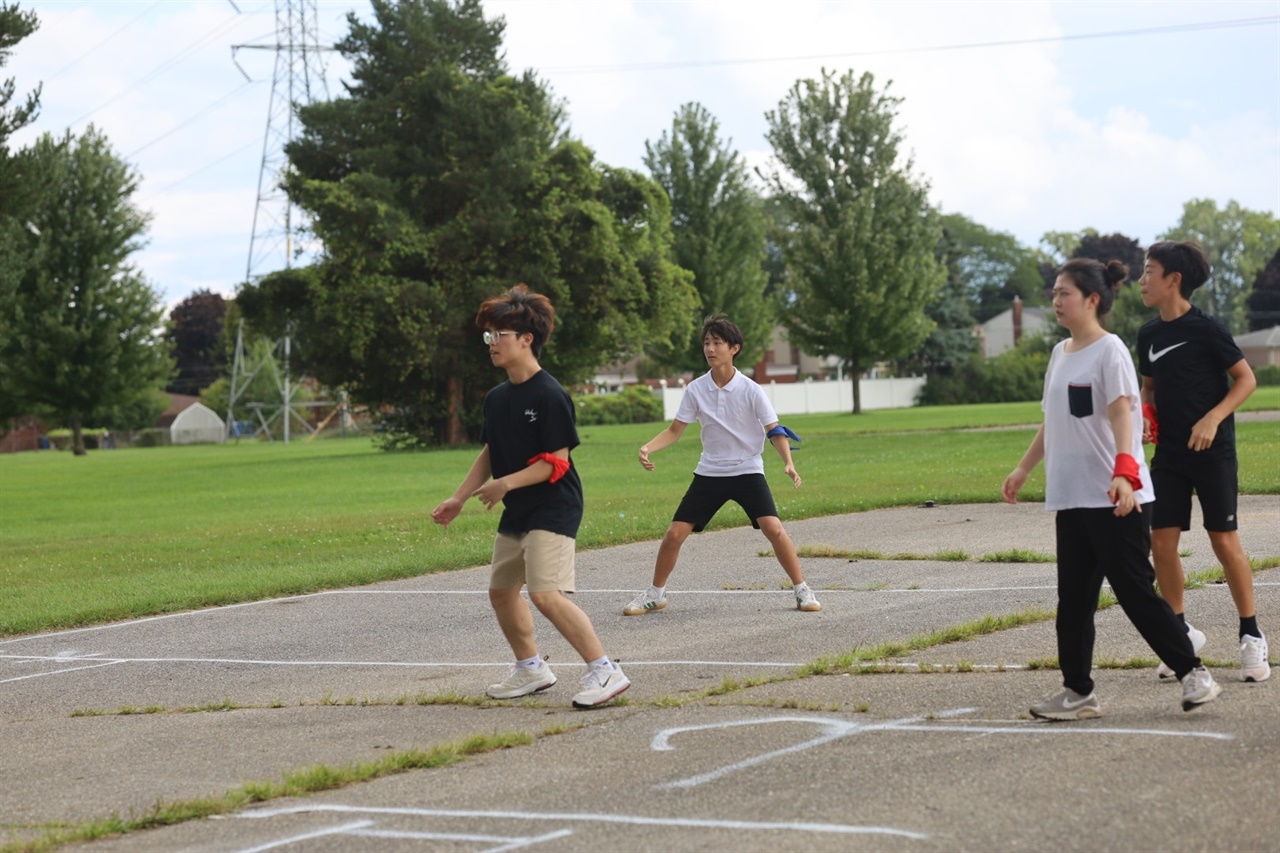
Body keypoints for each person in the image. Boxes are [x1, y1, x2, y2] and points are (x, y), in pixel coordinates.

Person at [1002, 259, 1221, 720]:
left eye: (1065, 293)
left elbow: (1125, 413)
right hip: (1072, 497)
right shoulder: (1061, 354)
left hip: (1115, 498)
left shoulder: (1111, 350)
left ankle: (1194, 672)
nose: (1056, 301)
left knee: (1136, 593)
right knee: (1074, 604)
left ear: (1092, 299)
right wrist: (1024, 468)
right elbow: (1052, 420)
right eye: (1055, 293)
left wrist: (1126, 472)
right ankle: (1078, 692)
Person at [431, 285, 630, 709]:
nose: (492, 344)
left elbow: (555, 463)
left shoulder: (550, 395)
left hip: (555, 506)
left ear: (527, 339)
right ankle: (531, 668)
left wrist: (506, 484)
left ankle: (605, 670)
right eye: (489, 336)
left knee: (545, 593)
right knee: (502, 591)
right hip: (518, 509)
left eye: (500, 334)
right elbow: (490, 453)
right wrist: (459, 498)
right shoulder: (498, 398)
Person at [623, 313, 821, 616]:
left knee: (774, 528)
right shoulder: (696, 389)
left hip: (746, 470)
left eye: (717, 343)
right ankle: (655, 594)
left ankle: (802, 590)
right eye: (707, 343)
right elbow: (675, 430)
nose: (710, 349)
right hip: (710, 472)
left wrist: (789, 463)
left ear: (734, 348)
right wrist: (649, 447)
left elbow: (775, 430)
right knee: (674, 534)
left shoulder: (751, 389)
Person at [1138, 240, 1270, 683]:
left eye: (1149, 271)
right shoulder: (1148, 335)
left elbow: (1246, 379)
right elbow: (1150, 388)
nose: (1142, 280)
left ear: (1173, 279)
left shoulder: (1207, 329)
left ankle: (1251, 636)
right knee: (1161, 543)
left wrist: (1213, 418)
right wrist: (1145, 415)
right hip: (1170, 454)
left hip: (1214, 453)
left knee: (1224, 541)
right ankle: (1180, 635)